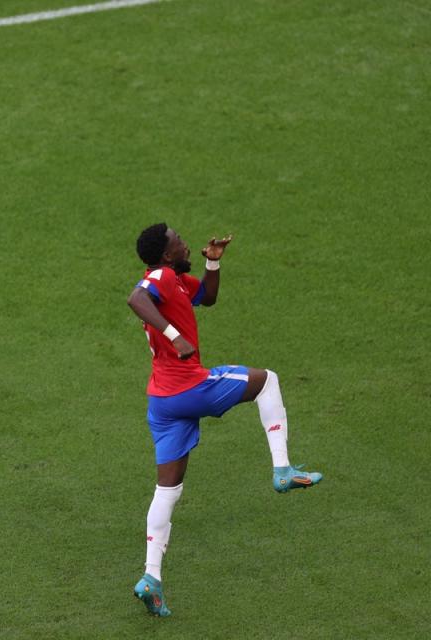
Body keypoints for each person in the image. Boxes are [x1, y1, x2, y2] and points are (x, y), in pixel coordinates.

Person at [126, 223, 323, 617]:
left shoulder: (177, 280)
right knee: (267, 381)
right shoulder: (160, 277)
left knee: (167, 491)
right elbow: (135, 299)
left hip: (162, 402)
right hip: (189, 387)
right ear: (166, 254)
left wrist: (213, 265)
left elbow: (208, 299)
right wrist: (174, 335)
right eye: (179, 241)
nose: (186, 243)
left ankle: (151, 577)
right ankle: (282, 468)